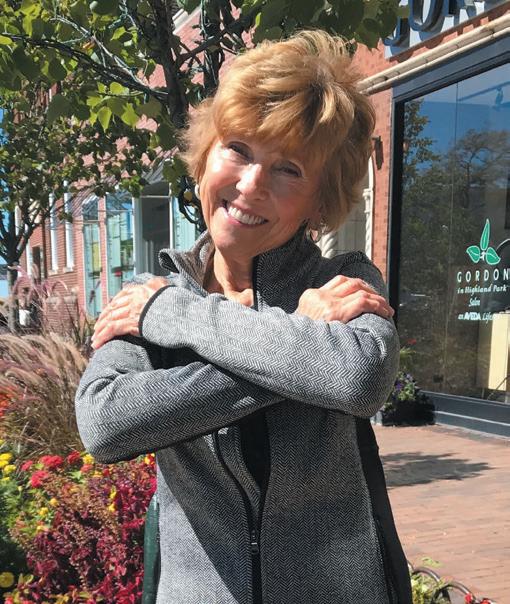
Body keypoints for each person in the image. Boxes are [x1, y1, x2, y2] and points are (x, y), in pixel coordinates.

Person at [76, 30, 412, 604]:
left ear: (320, 199)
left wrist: (182, 316)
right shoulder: (147, 297)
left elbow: (358, 378)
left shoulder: (343, 281)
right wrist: (303, 347)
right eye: (238, 149)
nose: (251, 185)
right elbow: (106, 424)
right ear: (205, 157)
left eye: (289, 169)